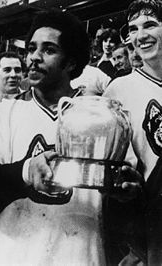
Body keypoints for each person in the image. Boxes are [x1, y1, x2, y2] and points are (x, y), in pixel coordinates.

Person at [0, 9, 120, 266]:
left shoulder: (102, 117)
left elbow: (119, 207)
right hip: (9, 257)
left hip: (79, 256)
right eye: (31, 48)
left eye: (48, 50)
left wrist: (126, 193)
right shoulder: (1, 113)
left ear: (71, 62)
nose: (33, 57)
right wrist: (23, 172)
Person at [103, 0, 162, 264]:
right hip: (150, 224)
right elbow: (118, 172)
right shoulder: (120, 90)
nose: (140, 36)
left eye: (150, 25)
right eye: (133, 29)